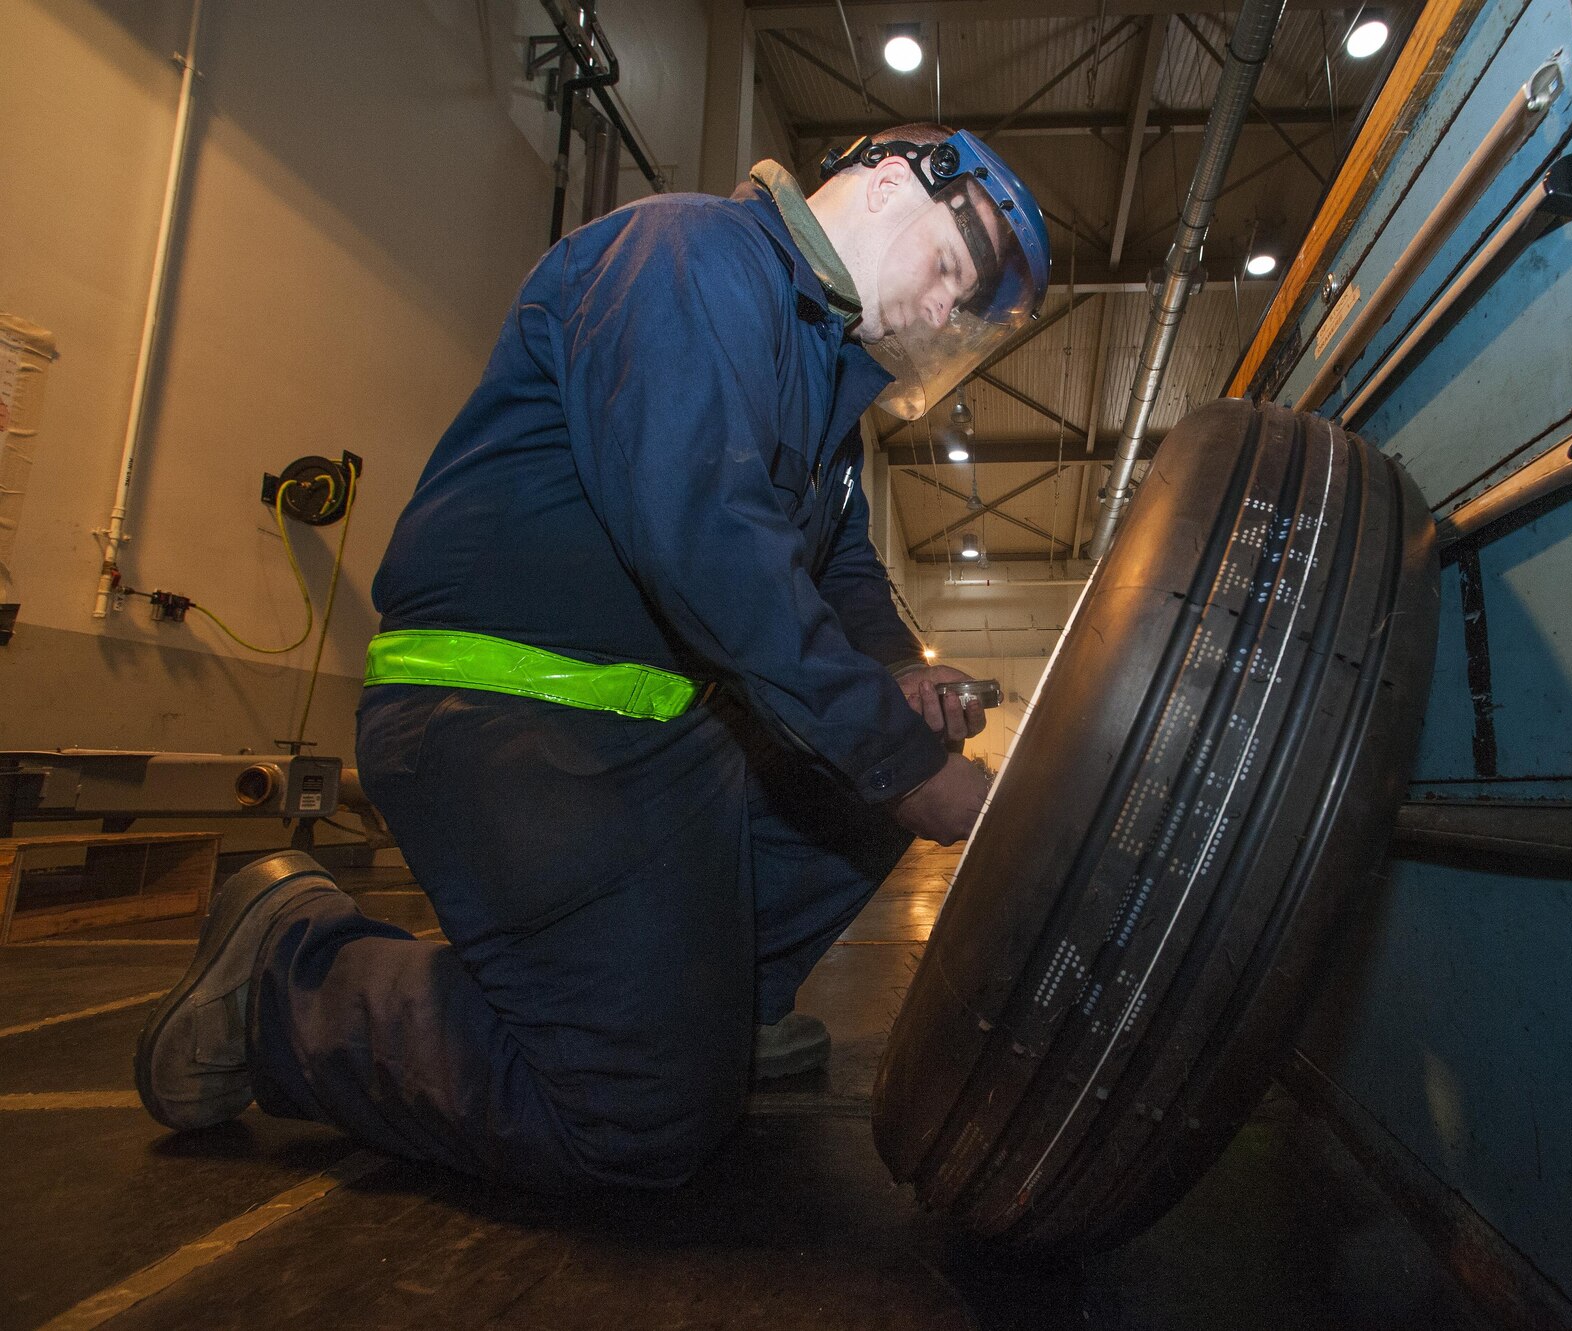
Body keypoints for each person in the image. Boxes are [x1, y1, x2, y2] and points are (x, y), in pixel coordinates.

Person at [133, 125, 1051, 1191]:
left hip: (651, 732)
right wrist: (912, 772)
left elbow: (841, 568)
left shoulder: (822, 380)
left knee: (871, 762)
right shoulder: (687, 258)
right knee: (639, 1118)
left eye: (964, 299)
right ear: (889, 182)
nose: (946, 311)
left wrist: (898, 673)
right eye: (950, 267)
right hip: (504, 710)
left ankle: (717, 1016)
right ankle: (288, 981)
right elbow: (706, 541)